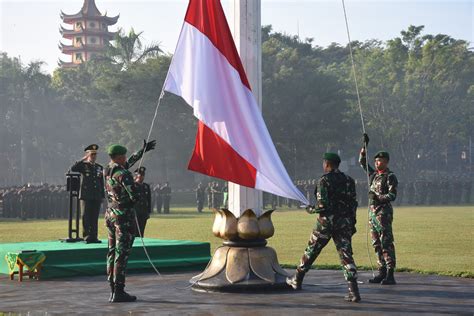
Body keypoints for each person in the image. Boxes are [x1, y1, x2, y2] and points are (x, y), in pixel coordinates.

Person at [287, 153, 360, 302]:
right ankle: (354, 291)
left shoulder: (324, 181)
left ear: (327, 164)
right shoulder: (349, 181)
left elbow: (322, 205)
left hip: (326, 223)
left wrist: (310, 209)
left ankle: (297, 279)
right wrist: (352, 222)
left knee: (312, 250)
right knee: (346, 255)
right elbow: (353, 204)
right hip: (344, 222)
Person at [104, 140, 155, 303]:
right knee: (122, 253)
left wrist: (142, 151)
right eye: (124, 156)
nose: (126, 158)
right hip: (123, 216)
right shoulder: (124, 174)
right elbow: (134, 196)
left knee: (112, 251)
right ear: (119, 157)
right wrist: (137, 191)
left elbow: (128, 163)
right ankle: (119, 290)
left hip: (110, 213)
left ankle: (112, 288)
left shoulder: (107, 170)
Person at [359, 133, 398, 285]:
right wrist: (364, 146)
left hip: (384, 213)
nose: (376, 163)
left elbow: (392, 195)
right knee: (376, 244)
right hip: (373, 214)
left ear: (386, 162)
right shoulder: (374, 175)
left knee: (386, 243)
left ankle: (390, 273)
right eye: (375, 160)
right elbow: (362, 161)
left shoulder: (390, 176)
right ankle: (381, 271)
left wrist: (378, 198)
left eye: (379, 160)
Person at [70, 144, 104, 243]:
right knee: (86, 216)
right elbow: (73, 168)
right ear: (88, 155)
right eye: (91, 154)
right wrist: (83, 159)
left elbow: (101, 182)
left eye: (95, 155)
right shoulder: (83, 165)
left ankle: (94, 236)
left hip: (96, 195)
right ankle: (87, 236)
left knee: (94, 216)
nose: (93, 156)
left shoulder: (99, 167)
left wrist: (102, 195)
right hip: (86, 195)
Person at [133, 167, 152, 237]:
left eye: (143, 175)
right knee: (135, 230)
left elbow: (149, 199)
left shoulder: (146, 186)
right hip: (135, 210)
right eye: (140, 175)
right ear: (136, 176)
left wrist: (149, 211)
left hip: (144, 211)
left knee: (142, 230)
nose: (141, 177)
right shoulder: (133, 185)